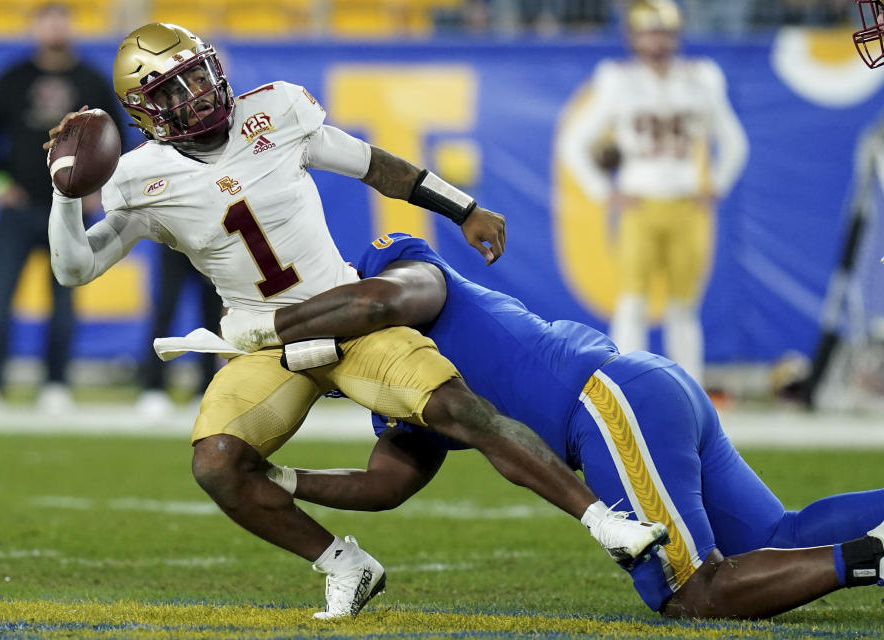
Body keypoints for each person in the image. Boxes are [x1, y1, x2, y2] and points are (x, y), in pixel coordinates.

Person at [45, 23, 668, 619]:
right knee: (216, 464)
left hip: (344, 317)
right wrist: (64, 198)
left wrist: (464, 208)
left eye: (200, 74)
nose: (200, 93)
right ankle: (343, 564)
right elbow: (76, 269)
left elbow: (373, 164)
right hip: (263, 343)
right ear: (147, 112)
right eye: (175, 90)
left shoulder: (277, 110)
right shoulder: (138, 177)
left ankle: (606, 523)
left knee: (460, 410)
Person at [246, 232, 884, 619]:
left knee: (694, 594)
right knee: (774, 537)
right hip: (638, 389)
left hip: (605, 402)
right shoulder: (392, 386)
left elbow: (380, 302)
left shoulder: (392, 273)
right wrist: (279, 478)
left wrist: (275, 330)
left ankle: (873, 557)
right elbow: (383, 485)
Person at [563, 0, 748, 386]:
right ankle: (626, 388)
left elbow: (734, 141)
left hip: (686, 204)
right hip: (640, 204)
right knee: (632, 303)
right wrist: (603, 191)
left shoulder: (701, 77)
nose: (657, 41)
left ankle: (690, 393)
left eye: (663, 32)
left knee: (684, 308)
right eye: (650, 32)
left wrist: (715, 184)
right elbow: (574, 141)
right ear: (633, 36)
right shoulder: (618, 79)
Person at [0, 2, 125, 414]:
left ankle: (56, 385)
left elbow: (118, 138)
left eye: (61, 20)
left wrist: (96, 190)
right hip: (18, 208)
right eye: (47, 21)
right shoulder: (13, 78)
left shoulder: (91, 80)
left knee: (63, 300)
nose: (54, 28)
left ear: (72, 27)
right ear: (35, 28)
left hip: (67, 211)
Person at [135, 247, 224, 417]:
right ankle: (153, 386)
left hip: (208, 245)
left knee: (211, 317)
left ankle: (206, 387)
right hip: (176, 239)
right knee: (165, 310)